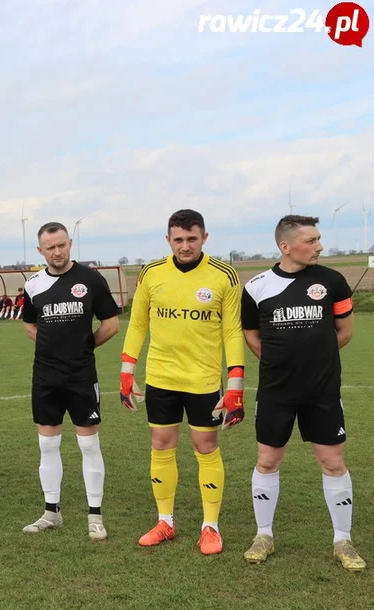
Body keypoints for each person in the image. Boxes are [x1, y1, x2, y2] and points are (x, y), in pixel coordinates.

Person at [239, 215, 365, 571]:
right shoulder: (257, 287)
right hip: (276, 392)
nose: (319, 246)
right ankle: (263, 535)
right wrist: (281, 364)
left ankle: (343, 541)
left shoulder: (333, 281)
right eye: (311, 241)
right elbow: (251, 335)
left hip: (322, 391)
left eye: (319, 239)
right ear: (286, 246)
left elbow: (344, 332)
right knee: (267, 460)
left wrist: (314, 361)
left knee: (333, 462)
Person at [119, 209, 245, 555]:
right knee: (161, 444)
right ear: (168, 240)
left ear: (204, 238)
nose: (185, 246)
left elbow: (232, 330)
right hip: (161, 377)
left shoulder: (224, 275)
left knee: (206, 447)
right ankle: (165, 522)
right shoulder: (151, 273)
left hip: (203, 379)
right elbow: (138, 323)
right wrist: (127, 370)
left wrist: (236, 381)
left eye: (192, 239)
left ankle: (210, 527)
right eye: (178, 239)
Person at [20, 223, 119, 540]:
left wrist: (84, 347)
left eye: (61, 245)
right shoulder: (33, 285)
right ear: (40, 251)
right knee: (47, 445)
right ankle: (51, 513)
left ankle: (95, 517)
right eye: (50, 247)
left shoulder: (90, 279)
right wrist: (51, 348)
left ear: (70, 244)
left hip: (81, 375)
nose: (57, 252)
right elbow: (29, 325)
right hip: (45, 376)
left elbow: (111, 324)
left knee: (88, 444)